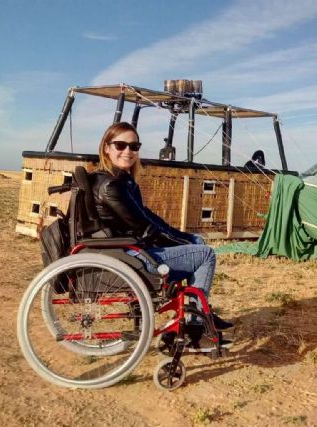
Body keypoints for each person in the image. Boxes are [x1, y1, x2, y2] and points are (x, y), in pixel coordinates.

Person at [90, 122, 233, 335]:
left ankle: (197, 312)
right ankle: (195, 323)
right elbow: (145, 228)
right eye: (120, 145)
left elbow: (149, 218)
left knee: (196, 242)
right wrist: (179, 241)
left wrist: (183, 237)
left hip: (127, 248)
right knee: (205, 255)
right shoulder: (111, 186)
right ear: (106, 148)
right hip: (131, 256)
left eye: (134, 146)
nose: (127, 151)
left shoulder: (119, 181)